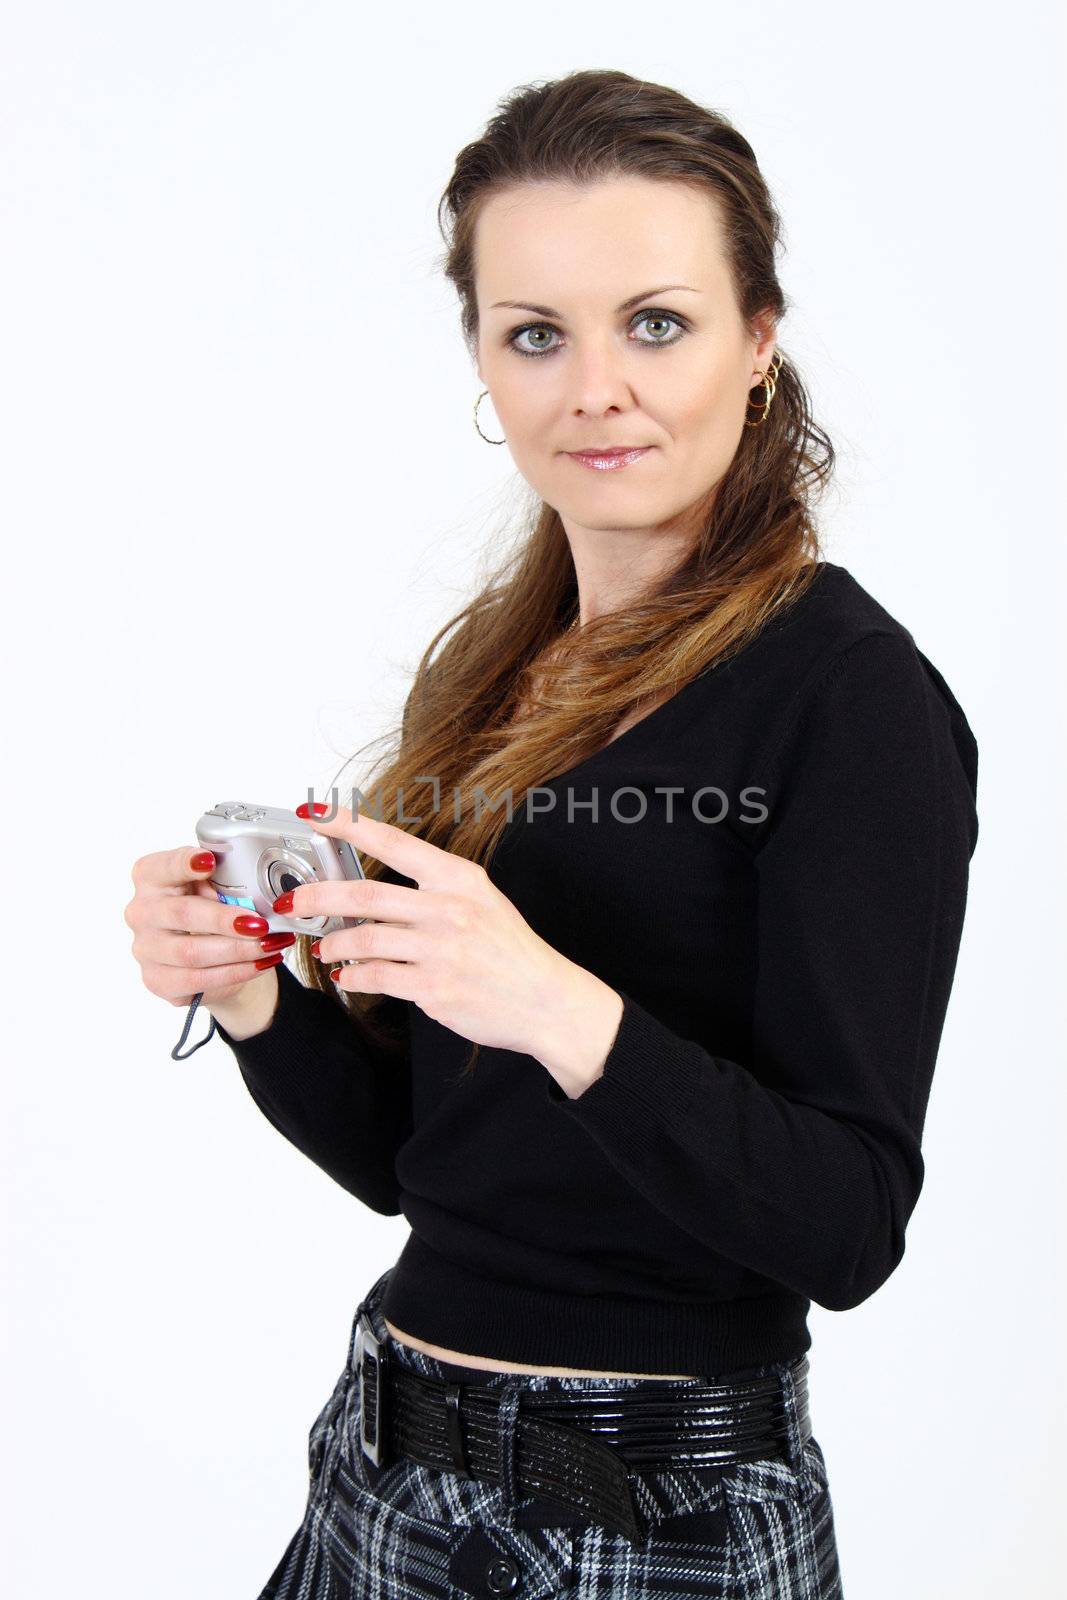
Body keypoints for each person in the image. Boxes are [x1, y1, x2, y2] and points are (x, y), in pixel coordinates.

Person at [125, 69, 979, 1599]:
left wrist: (552, 1003)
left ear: (759, 340)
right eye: (536, 333)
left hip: (656, 1530)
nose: (596, 388)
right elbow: (419, 1168)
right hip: (383, 1477)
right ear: (483, 360)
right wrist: (252, 998)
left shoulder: (853, 704)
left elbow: (847, 1227)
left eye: (656, 322)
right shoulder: (506, 679)